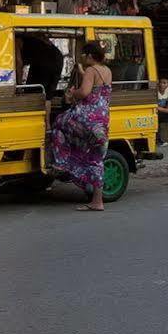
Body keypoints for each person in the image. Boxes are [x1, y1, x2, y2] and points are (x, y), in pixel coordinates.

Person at [48, 40, 113, 211]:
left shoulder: (91, 70)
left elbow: (84, 92)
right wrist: (82, 72)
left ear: (90, 56)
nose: (82, 56)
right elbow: (96, 86)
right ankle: (98, 201)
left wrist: (71, 94)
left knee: (58, 124)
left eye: (84, 54)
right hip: (102, 121)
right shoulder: (106, 71)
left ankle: (62, 162)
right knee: (96, 159)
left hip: (87, 117)